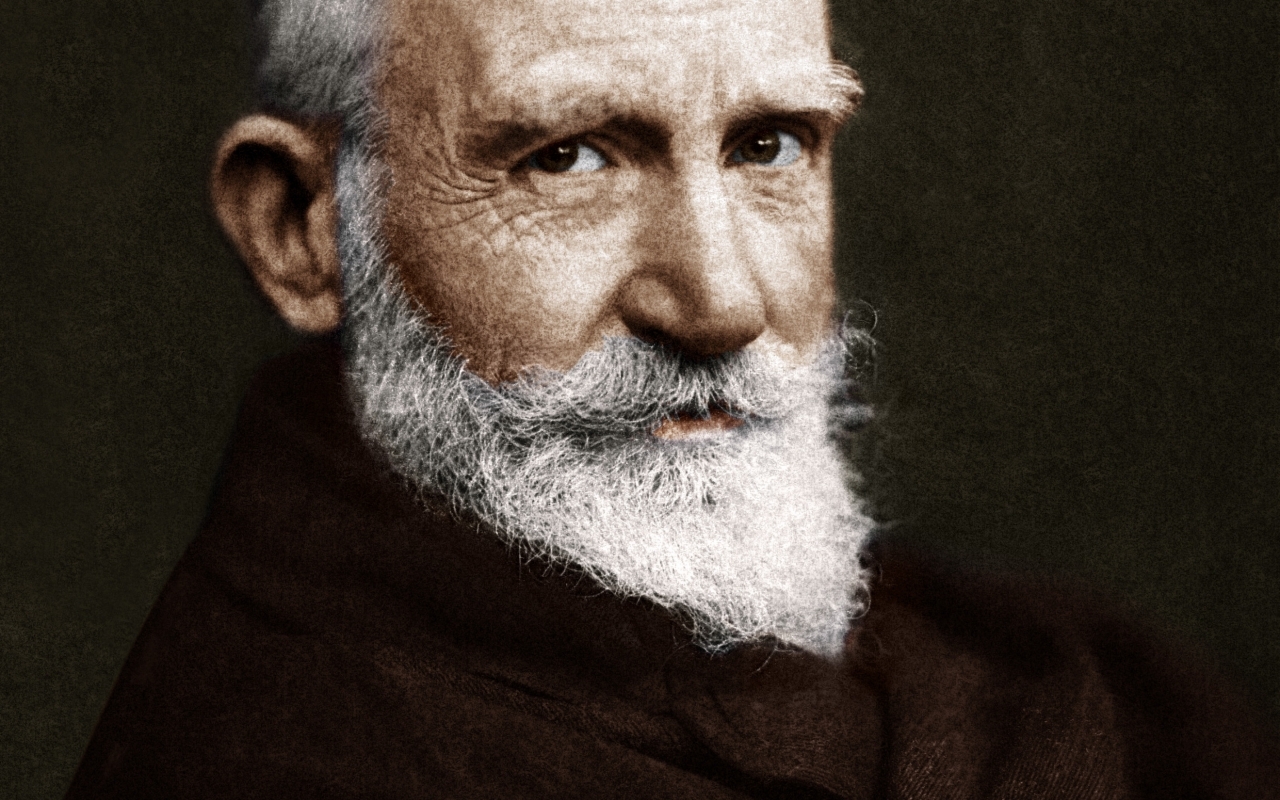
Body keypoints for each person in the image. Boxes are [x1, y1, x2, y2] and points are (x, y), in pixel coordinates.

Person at [66, 0, 1277, 796]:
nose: (718, 302)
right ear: (302, 229)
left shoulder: (1075, 681)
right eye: (566, 156)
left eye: (769, 145)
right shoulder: (253, 749)